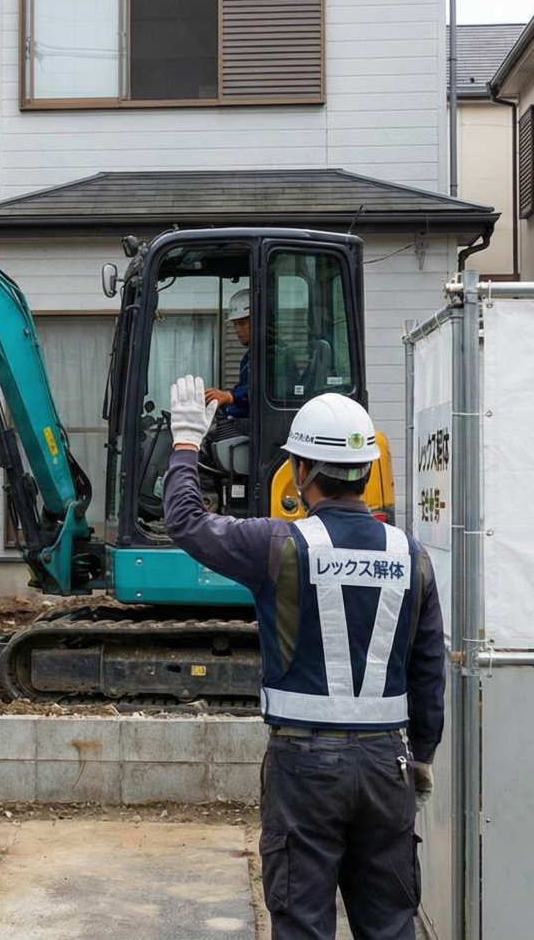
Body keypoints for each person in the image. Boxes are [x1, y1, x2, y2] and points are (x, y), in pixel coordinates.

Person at [162, 375, 447, 940]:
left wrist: (187, 443)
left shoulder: (278, 545)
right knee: (390, 924)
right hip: (387, 766)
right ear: (366, 471)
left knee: (302, 925)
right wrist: (422, 756)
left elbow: (187, 522)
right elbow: (428, 667)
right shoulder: (411, 555)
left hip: (304, 770)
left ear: (299, 471)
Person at [204, 289, 252, 419]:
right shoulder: (249, 358)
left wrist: (230, 396)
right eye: (235, 324)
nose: (237, 330)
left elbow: (262, 393)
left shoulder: (275, 355)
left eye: (242, 323)